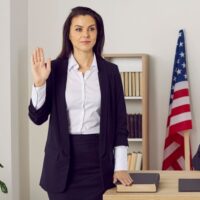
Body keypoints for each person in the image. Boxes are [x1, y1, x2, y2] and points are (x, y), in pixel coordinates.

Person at [29, 6, 133, 200]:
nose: (85, 34)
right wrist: (39, 83)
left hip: (99, 163)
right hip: (61, 165)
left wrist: (120, 167)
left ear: (98, 33)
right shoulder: (54, 69)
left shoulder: (110, 72)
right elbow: (37, 117)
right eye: (78, 29)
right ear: (68, 34)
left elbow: (120, 124)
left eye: (91, 29)